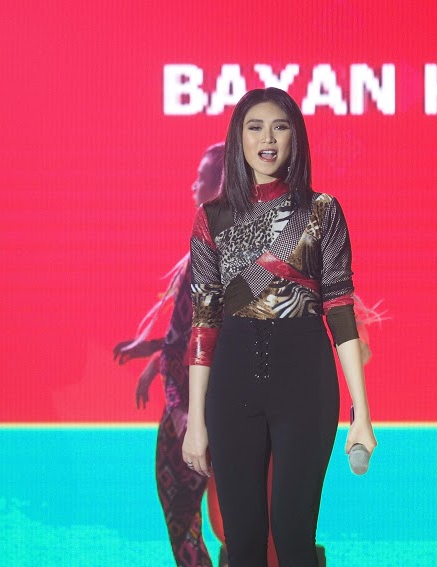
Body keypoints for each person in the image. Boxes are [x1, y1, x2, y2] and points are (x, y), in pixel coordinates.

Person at [182, 87, 377, 567]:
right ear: (239, 139)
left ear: (295, 138)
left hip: (305, 380)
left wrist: (362, 414)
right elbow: (204, 321)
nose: (267, 139)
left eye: (279, 127)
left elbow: (340, 308)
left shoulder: (322, 211)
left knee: (293, 534)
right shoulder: (211, 218)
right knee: (244, 540)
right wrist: (195, 422)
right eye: (255, 128)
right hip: (232, 382)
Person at [114, 142, 225, 567]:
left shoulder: (209, 250)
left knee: (183, 516)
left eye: (201, 177)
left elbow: (195, 338)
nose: (193, 185)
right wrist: (154, 351)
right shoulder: (251, 248)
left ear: (221, 183)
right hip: (228, 406)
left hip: (195, 409)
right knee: (235, 523)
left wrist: (181, 413)